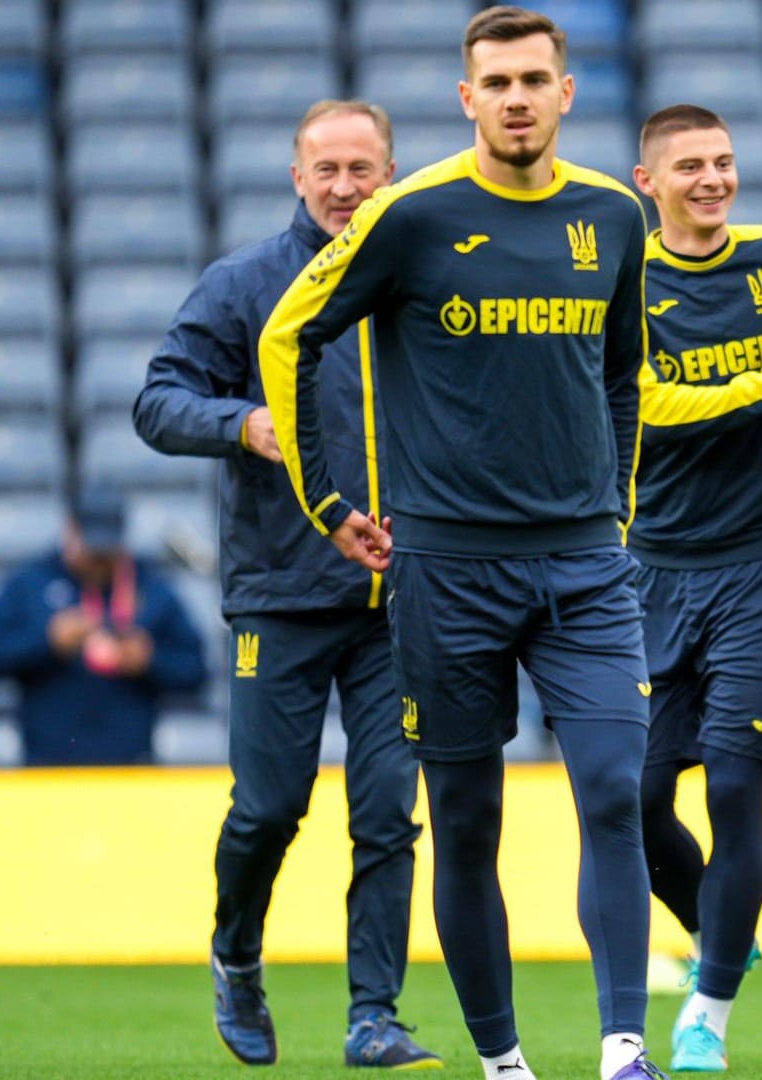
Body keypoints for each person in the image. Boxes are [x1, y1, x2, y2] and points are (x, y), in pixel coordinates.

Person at [253, 8, 752, 1079]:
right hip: (446, 571)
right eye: (497, 81)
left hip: (584, 566)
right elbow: (287, 334)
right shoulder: (409, 214)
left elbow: (624, 367)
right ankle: (505, 1063)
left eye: (535, 78)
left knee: (616, 792)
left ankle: (625, 1051)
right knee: (468, 822)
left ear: (566, 93)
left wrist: (610, 502)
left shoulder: (615, 217)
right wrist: (327, 503)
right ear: (467, 98)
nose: (517, 97)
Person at [132, 98, 442, 1070]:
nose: (347, 187)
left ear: (390, 174)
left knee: (388, 813)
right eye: (329, 170)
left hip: (402, 601)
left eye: (364, 169)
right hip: (281, 590)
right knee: (269, 807)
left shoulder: (424, 280)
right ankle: (235, 953)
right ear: (296, 176)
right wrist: (241, 425)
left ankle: (374, 1016)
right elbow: (156, 400)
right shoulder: (244, 285)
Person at [627, 102, 762, 1073]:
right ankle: (718, 926)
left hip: (759, 563)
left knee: (737, 790)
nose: (712, 179)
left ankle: (705, 1015)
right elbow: (657, 413)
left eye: (724, 161)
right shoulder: (630, 281)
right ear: (646, 184)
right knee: (639, 797)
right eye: (691, 166)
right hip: (651, 567)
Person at [0, 489, 206, 766]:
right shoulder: (30, 583)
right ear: (70, 532)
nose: (100, 559)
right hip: (47, 768)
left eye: (108, 550)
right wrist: (47, 642)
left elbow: (196, 670)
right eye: (92, 548)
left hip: (131, 767)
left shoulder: (151, 587)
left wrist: (150, 660)